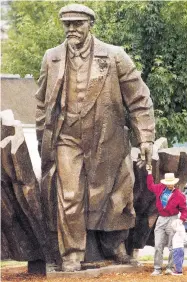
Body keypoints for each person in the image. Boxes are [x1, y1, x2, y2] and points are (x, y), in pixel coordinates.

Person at [35, 3, 155, 272]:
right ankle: (72, 253)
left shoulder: (114, 56)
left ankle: (115, 244)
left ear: (90, 24)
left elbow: (139, 99)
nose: (71, 29)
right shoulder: (51, 57)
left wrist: (145, 137)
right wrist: (43, 137)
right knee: (70, 194)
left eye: (77, 23)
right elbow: (42, 103)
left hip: (107, 136)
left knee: (115, 193)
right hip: (67, 137)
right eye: (67, 24)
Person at [146, 169, 187, 276]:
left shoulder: (179, 195)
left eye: (171, 183)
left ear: (174, 183)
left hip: (173, 219)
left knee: (172, 245)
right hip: (161, 218)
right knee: (158, 244)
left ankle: (170, 267)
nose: (170, 185)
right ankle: (157, 268)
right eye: (168, 183)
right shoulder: (160, 188)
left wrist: (181, 219)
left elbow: (184, 210)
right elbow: (150, 186)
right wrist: (149, 173)